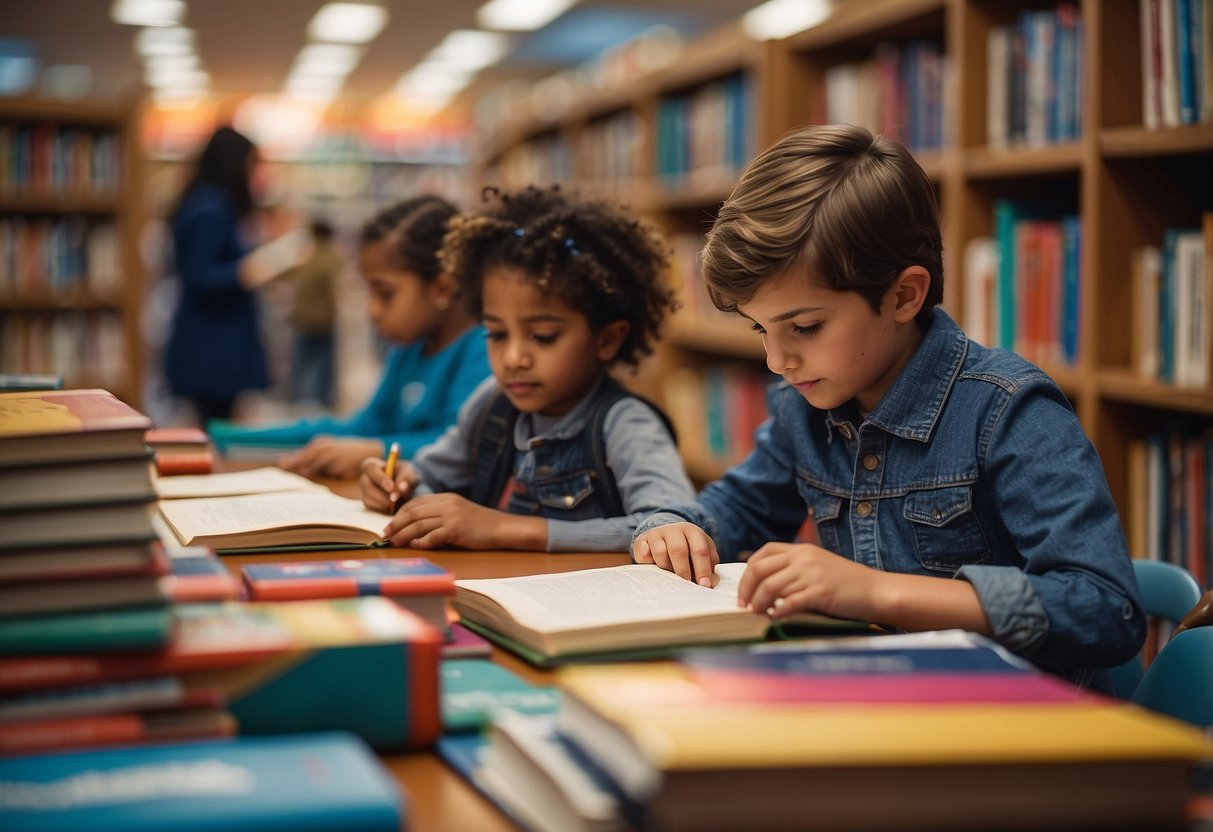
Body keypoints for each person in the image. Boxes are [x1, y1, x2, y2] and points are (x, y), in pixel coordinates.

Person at [631, 124, 1144, 691]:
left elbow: (1106, 610)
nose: (777, 360)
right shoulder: (803, 409)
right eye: (761, 328)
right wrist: (675, 528)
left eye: (805, 326)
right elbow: (738, 508)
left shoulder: (1009, 411)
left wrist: (875, 591)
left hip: (1009, 725)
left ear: (903, 295)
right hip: (873, 697)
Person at [360, 185, 695, 552]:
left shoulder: (626, 424)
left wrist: (502, 528)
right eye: (497, 334)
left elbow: (671, 524)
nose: (513, 358)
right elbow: (429, 475)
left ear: (608, 339)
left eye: (543, 336)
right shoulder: (491, 403)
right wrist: (398, 485)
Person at [209, 196, 493, 479]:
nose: (372, 311)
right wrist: (232, 435)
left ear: (442, 288)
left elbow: (458, 448)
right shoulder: (409, 349)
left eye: (385, 294)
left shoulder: (482, 350)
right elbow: (367, 425)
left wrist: (370, 450)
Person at [164, 126, 309, 424]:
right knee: (215, 427)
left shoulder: (208, 202)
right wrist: (249, 270)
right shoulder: (210, 208)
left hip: (215, 339)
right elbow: (199, 275)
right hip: (213, 344)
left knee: (216, 423)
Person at [284, 218, 342, 408]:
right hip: (324, 320)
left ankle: (297, 402)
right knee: (324, 367)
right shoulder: (332, 259)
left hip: (304, 320)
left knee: (301, 365)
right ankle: (321, 404)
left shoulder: (306, 259)